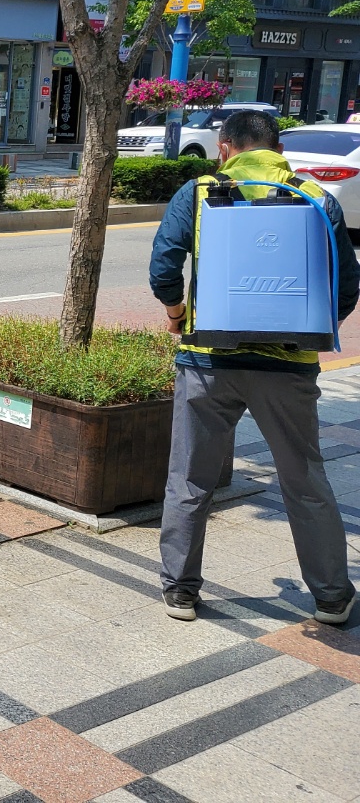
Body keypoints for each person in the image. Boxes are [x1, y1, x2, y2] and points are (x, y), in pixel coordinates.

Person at [150, 110, 357, 626]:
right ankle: (331, 596)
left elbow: (163, 268)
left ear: (224, 148)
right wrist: (302, 326)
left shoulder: (197, 193)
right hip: (287, 368)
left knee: (190, 477)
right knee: (305, 479)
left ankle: (180, 591)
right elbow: (348, 287)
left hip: (207, 360)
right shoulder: (316, 198)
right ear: (278, 150)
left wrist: (177, 315)